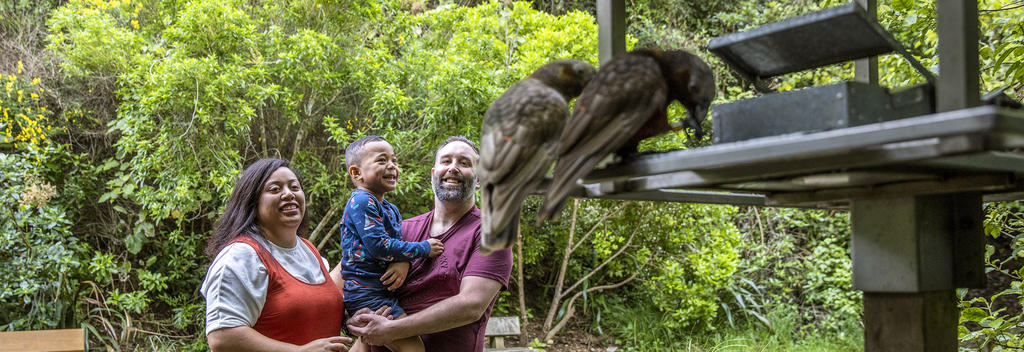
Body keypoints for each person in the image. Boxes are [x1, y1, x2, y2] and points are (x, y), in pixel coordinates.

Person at [344, 136, 514, 352]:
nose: (453, 168)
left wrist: (393, 329)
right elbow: (343, 277)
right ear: (433, 174)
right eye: (445, 161)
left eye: (464, 163)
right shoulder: (401, 229)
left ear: (479, 178)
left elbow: (471, 305)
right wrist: (350, 316)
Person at [201, 158, 353, 351]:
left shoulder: (309, 250)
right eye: (275, 189)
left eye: (294, 187)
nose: (289, 194)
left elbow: (314, 307)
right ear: (251, 202)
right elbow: (222, 337)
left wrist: (352, 317)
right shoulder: (241, 255)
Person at [338, 136, 445, 352]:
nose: (391, 166)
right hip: (366, 294)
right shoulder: (360, 201)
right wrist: (422, 249)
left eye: (394, 160)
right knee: (414, 348)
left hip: (382, 293)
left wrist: (403, 258)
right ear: (356, 173)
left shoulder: (390, 209)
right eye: (381, 160)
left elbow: (395, 245)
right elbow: (380, 246)